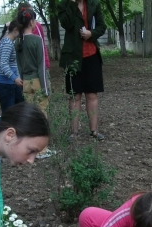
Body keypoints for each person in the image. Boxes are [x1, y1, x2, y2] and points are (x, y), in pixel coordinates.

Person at [58, 0, 106, 140]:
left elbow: (102, 26)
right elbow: (66, 24)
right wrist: (72, 4)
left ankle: (94, 131)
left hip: (92, 56)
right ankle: (74, 132)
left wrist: (91, 33)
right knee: (75, 95)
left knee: (92, 94)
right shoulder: (64, 5)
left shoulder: (94, 4)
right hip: (73, 57)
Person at [16, 7, 50, 115]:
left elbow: (19, 66)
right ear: (31, 22)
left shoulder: (18, 42)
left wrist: (22, 84)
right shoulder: (37, 40)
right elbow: (41, 66)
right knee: (42, 113)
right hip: (38, 82)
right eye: (35, 20)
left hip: (26, 83)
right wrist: (45, 88)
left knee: (30, 114)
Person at [0, 20, 24, 113]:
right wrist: (15, 78)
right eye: (20, 32)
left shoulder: (3, 42)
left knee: (20, 109)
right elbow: (3, 64)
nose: (20, 36)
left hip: (8, 83)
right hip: (5, 84)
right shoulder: (8, 44)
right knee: (9, 114)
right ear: (15, 30)